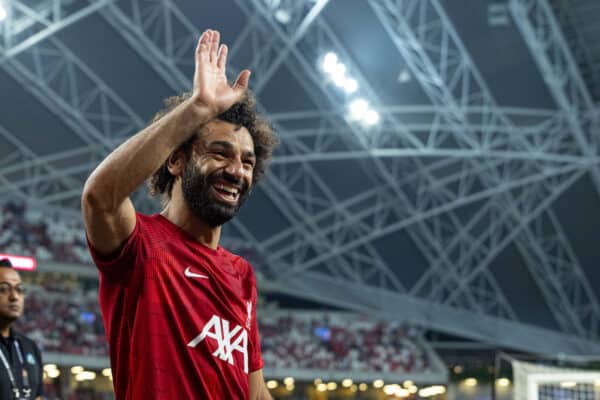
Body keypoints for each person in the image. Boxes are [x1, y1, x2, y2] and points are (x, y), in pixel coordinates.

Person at [82, 29, 278, 399]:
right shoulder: (141, 246)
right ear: (176, 159)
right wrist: (199, 109)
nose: (237, 170)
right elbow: (99, 198)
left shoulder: (241, 274)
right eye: (220, 153)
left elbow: (254, 392)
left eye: (248, 162)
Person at [0, 259, 44, 400]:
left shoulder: (30, 347)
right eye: (3, 289)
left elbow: (38, 395)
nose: (14, 296)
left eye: (19, 289)